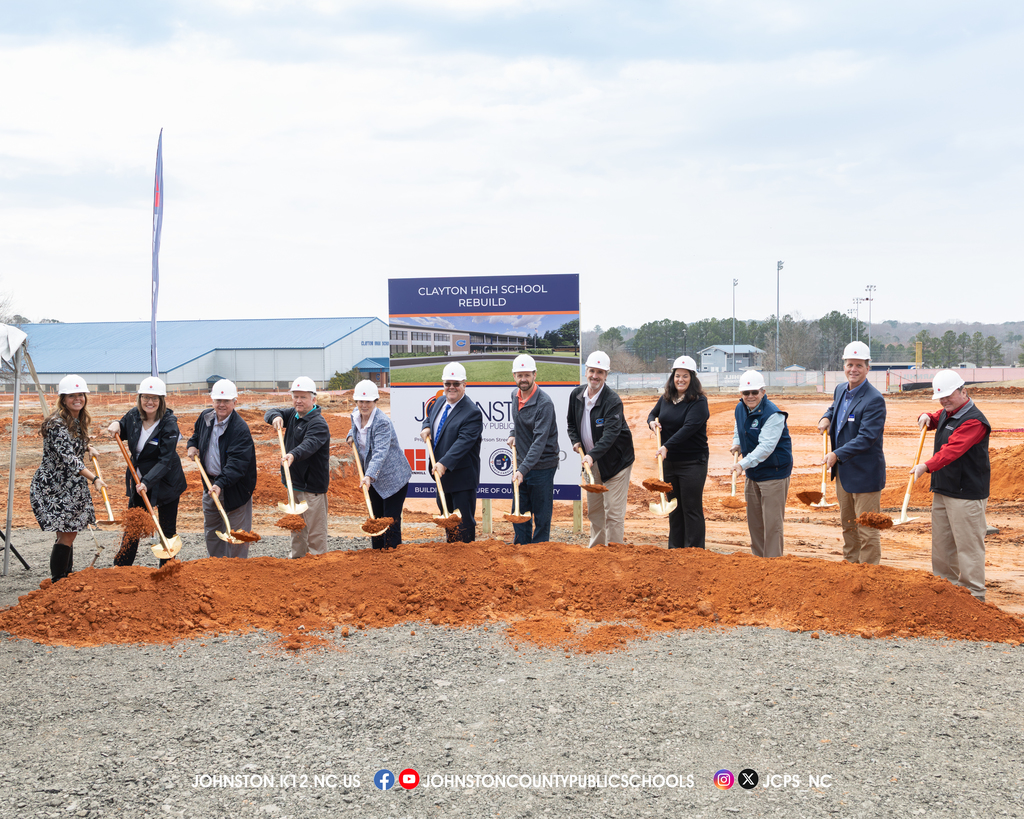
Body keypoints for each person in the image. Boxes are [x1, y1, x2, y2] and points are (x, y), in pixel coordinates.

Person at [913, 370, 990, 601]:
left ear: (963, 391)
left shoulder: (974, 421)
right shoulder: (950, 411)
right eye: (941, 397)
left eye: (949, 395)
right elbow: (939, 417)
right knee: (942, 544)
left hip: (966, 494)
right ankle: (945, 590)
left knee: (968, 546)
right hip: (944, 489)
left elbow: (952, 450)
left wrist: (926, 466)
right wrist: (927, 416)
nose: (944, 400)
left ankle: (974, 595)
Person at [30, 375, 107, 582]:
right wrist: (95, 478)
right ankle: (59, 580)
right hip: (55, 486)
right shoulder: (56, 423)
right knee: (67, 534)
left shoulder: (76, 419)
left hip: (70, 484)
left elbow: (73, 443)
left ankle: (65, 576)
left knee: (67, 532)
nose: (77, 399)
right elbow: (69, 458)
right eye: (72, 396)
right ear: (63, 399)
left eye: (80, 394)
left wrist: (88, 446)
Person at [817, 341, 887, 565]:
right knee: (848, 525)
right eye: (849, 365)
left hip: (865, 475)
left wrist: (836, 454)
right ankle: (851, 567)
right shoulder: (840, 389)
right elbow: (835, 408)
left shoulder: (874, 399)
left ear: (868, 368)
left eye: (858, 365)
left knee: (867, 529)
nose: (853, 369)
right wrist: (826, 417)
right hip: (844, 473)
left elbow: (867, 437)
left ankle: (868, 573)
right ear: (844, 366)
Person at [105, 377, 187, 567]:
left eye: (155, 398)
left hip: (166, 482)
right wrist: (117, 423)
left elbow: (165, 460)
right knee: (133, 526)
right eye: (146, 397)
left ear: (161, 400)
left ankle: (167, 570)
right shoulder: (134, 416)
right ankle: (121, 567)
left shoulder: (169, 424)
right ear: (140, 398)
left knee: (166, 529)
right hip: (139, 479)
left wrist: (147, 482)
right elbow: (123, 426)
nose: (150, 402)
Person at [567, 351, 635, 547]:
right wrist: (575, 440)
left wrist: (591, 455)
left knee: (613, 511)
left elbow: (610, 436)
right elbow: (571, 423)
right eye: (591, 371)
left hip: (616, 464)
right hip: (592, 463)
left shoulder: (612, 401)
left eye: (600, 372)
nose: (594, 376)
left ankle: (614, 553)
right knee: (595, 511)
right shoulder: (576, 395)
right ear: (586, 371)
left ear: (606, 375)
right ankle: (597, 551)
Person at [186, 379, 257, 558]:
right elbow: (197, 435)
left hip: (235, 487)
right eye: (218, 400)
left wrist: (220, 484)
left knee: (236, 533)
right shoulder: (206, 417)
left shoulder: (240, 429)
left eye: (226, 401)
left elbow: (237, 463)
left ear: (235, 402)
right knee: (212, 531)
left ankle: (235, 569)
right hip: (210, 484)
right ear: (212, 400)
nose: (222, 405)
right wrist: (192, 445)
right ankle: (216, 566)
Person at [647, 355, 710, 549]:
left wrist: (666, 446)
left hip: (692, 462)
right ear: (672, 377)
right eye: (677, 376)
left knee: (691, 508)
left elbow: (688, 428)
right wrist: (652, 423)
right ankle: (675, 551)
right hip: (670, 462)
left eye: (685, 376)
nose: (680, 380)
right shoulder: (666, 398)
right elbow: (653, 414)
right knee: (674, 507)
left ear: (692, 378)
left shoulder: (699, 402)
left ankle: (694, 551)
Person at [265, 376, 331, 559]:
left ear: (313, 399)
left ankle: (317, 563)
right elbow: (270, 412)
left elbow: (309, 444)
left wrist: (293, 454)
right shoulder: (292, 415)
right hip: (294, 484)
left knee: (315, 532)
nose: (298, 401)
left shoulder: (318, 423)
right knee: (297, 529)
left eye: (303, 397)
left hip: (312, 487)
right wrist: (275, 417)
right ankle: (297, 561)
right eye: (295, 396)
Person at [729, 371, 793, 558]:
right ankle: (758, 562)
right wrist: (737, 443)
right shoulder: (740, 408)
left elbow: (766, 447)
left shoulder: (773, 414)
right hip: (753, 472)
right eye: (746, 392)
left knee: (772, 525)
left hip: (774, 473)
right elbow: (739, 427)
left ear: (763, 392)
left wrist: (742, 464)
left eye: (754, 392)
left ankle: (772, 564)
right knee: (755, 523)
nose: (750, 396)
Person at [420, 362, 483, 543]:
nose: (451, 387)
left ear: (464, 384)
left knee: (463, 526)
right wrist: (426, 426)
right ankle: (452, 554)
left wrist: (443, 463)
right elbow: (430, 418)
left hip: (461, 479)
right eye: (448, 383)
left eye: (456, 384)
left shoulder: (472, 413)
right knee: (448, 523)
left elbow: (462, 444)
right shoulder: (440, 401)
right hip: (442, 476)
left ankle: (465, 556)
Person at [347, 380, 411, 550]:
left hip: (392, 479)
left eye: (368, 401)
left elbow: (380, 452)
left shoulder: (382, 422)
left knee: (390, 522)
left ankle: (392, 556)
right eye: (360, 401)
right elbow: (355, 428)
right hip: (373, 478)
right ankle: (377, 556)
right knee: (375, 519)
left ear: (375, 401)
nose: (363, 405)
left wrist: (369, 475)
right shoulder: (356, 414)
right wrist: (350, 435)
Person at [507, 354, 560, 544]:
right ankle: (521, 548)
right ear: (514, 376)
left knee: (541, 514)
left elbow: (539, 441)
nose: (523, 379)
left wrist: (521, 470)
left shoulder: (544, 403)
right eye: (519, 375)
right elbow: (518, 421)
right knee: (519, 510)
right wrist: (513, 433)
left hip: (543, 465)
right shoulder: (514, 395)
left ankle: (539, 552)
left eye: (527, 375)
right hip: (523, 462)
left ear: (534, 375)